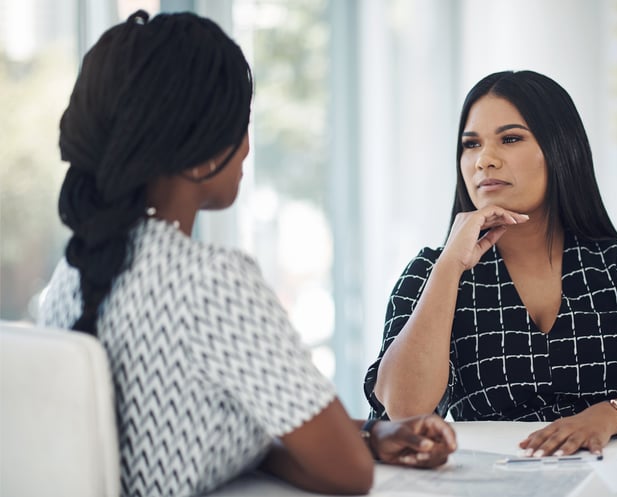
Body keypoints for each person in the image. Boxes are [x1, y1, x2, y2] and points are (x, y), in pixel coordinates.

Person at [38, 10, 455, 497]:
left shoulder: (71, 274)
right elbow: (346, 471)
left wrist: (365, 433)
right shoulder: (211, 282)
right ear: (207, 151)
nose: (248, 147)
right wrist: (345, 441)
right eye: (243, 122)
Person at [364, 70, 617, 458]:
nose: (484, 161)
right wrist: (448, 268)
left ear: (560, 149)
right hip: (490, 481)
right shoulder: (430, 273)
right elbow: (403, 412)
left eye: (510, 139)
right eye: (471, 145)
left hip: (611, 473)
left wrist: (607, 416)